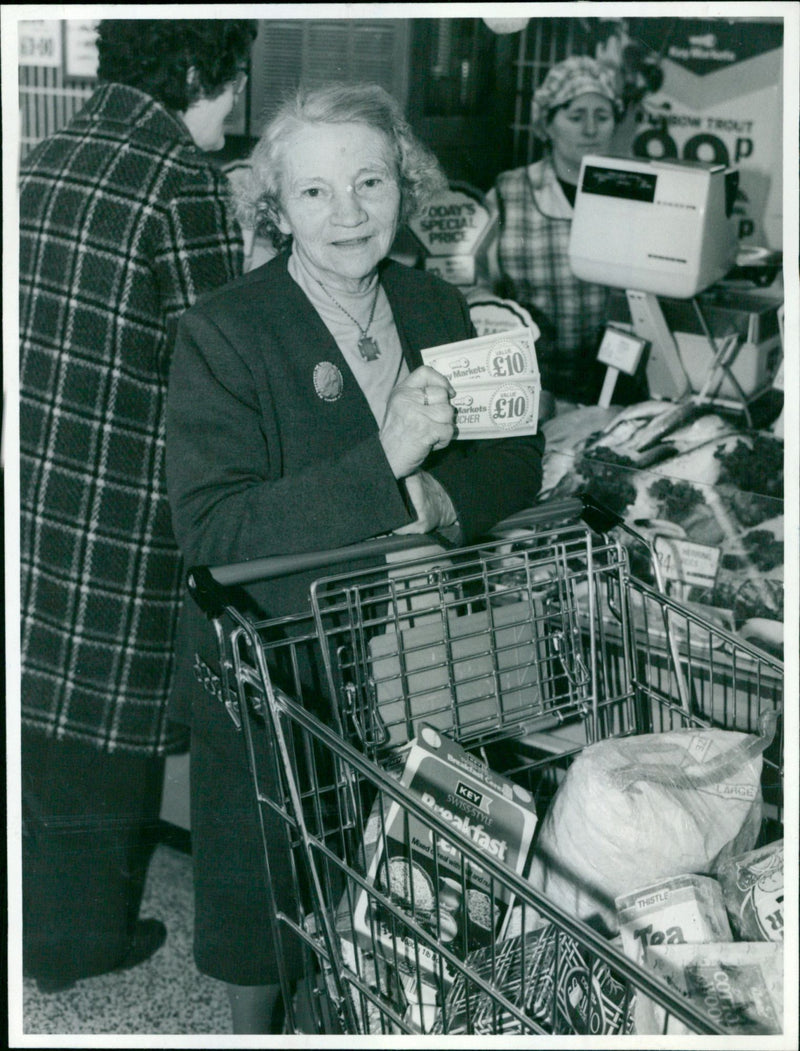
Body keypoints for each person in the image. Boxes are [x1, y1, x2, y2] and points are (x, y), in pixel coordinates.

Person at [165, 82, 546, 1033]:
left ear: (405, 187)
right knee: (274, 889)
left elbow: (517, 450)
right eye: (316, 194)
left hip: (420, 653)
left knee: (414, 888)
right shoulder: (226, 332)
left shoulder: (434, 301)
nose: (349, 214)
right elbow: (213, 528)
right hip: (282, 657)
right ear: (276, 205)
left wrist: (436, 497)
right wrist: (388, 460)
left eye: (371, 182)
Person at [19, 18, 258, 994]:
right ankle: (77, 941)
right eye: (233, 80)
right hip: (122, 491)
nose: (236, 103)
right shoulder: (182, 180)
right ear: (198, 69)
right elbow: (219, 367)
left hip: (43, 470)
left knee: (42, 702)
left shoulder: (51, 151)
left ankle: (41, 915)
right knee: (105, 724)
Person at [480, 55, 645, 408]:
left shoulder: (634, 190)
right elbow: (482, 291)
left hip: (617, 387)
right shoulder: (508, 193)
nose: (590, 130)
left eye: (602, 117)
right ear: (546, 124)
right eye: (575, 116)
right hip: (531, 388)